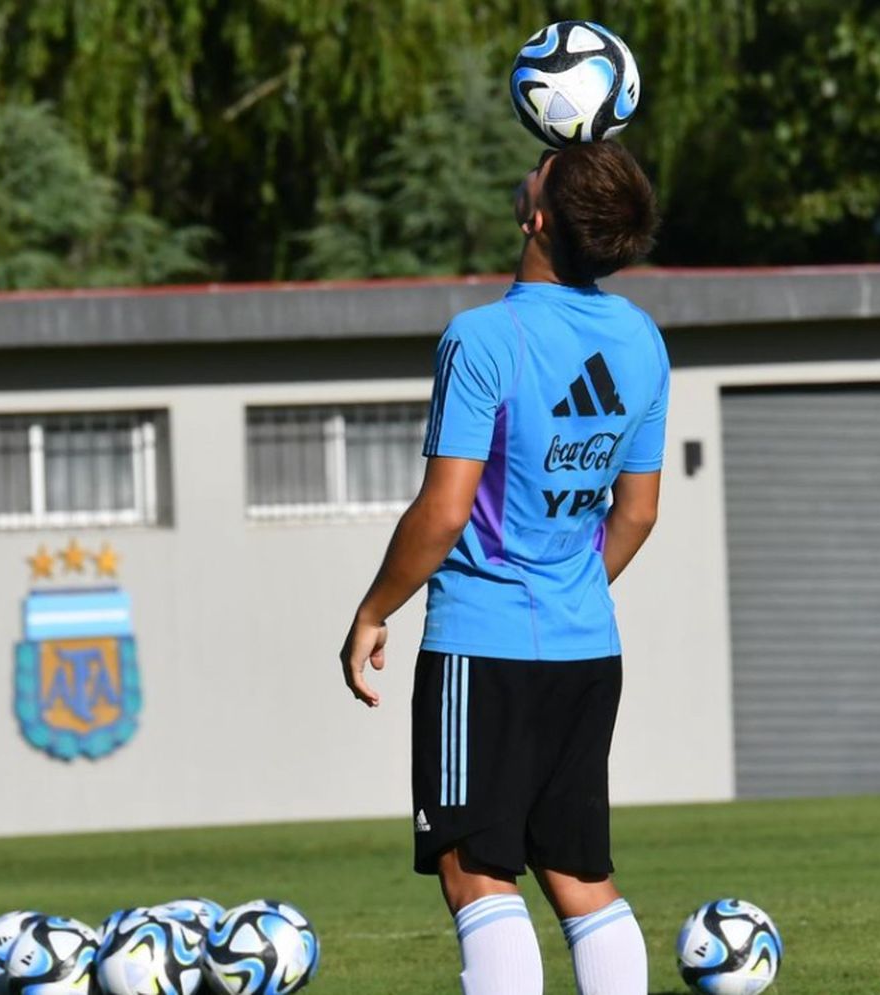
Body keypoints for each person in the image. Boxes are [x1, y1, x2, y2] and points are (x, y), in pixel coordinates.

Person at [338, 139, 667, 995]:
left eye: (546, 167)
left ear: (540, 215)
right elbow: (637, 512)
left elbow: (444, 510)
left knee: (476, 871)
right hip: (587, 648)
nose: (536, 163)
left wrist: (374, 609)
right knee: (580, 876)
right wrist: (569, 586)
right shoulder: (640, 339)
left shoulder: (483, 337)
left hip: (482, 651)